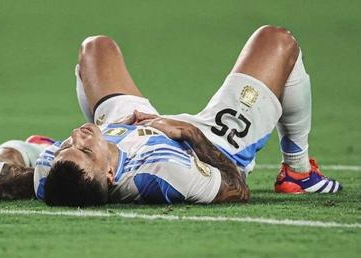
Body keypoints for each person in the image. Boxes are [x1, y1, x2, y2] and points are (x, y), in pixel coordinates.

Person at [33, 25, 342, 206]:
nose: (76, 136)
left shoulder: (51, 171)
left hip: (126, 130)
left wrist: (30, 153)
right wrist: (189, 132)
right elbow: (237, 188)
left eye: (67, 146)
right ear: (110, 175)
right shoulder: (164, 172)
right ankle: (298, 171)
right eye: (83, 149)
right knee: (278, 40)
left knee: (95, 48)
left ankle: (55, 148)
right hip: (209, 145)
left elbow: (18, 176)